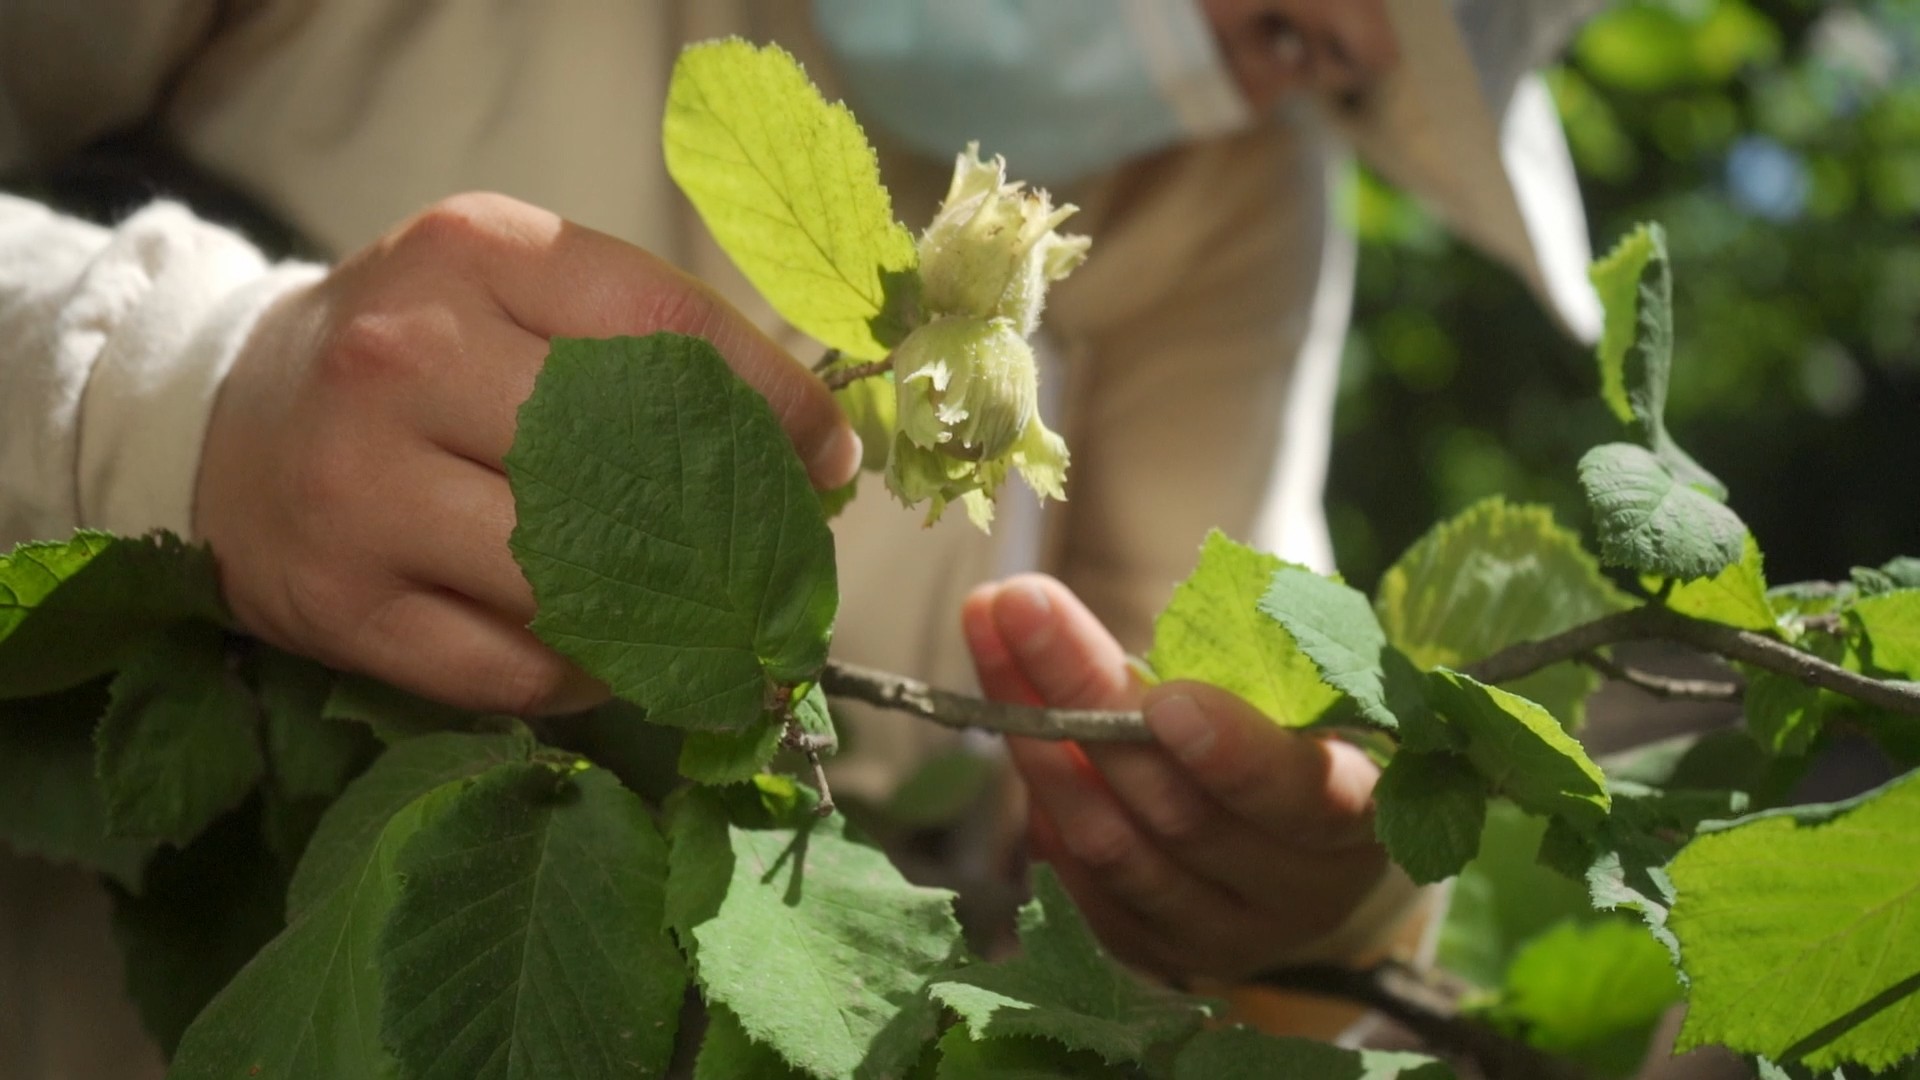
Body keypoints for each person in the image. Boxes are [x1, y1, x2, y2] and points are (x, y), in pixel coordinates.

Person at [0, 1, 1604, 1074]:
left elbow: (1228, 704)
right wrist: (179, 388)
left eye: (1308, 52)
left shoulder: (1234, 202)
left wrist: (1312, 904)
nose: (1234, 74)